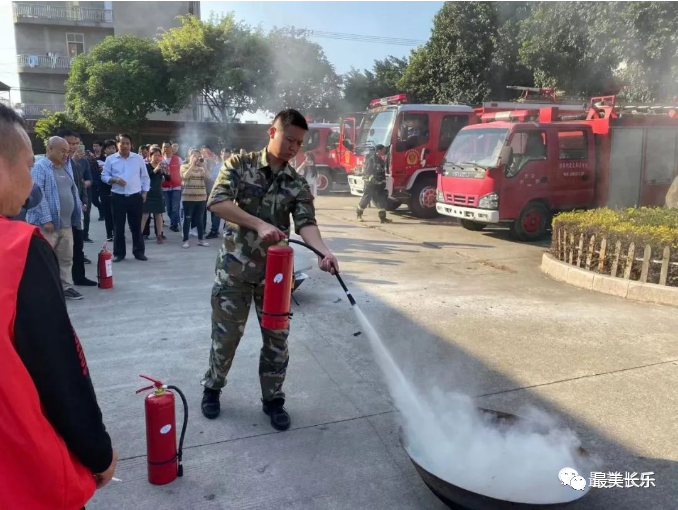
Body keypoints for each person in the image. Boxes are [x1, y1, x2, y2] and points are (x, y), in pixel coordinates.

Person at [0, 104, 117, 509]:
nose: (29, 178)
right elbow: (60, 367)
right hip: (21, 479)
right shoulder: (16, 249)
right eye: (26, 164)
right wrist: (97, 450)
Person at [200, 109, 339, 431]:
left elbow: (307, 223)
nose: (294, 147)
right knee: (226, 338)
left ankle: (273, 399)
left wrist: (323, 252)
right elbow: (217, 202)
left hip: (275, 279)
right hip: (233, 273)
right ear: (271, 132)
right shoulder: (239, 165)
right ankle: (212, 389)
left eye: (299, 143)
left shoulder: (297, 183)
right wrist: (259, 223)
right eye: (289, 139)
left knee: (277, 341)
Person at [27, 136, 85, 300]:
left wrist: (79, 208)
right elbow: (37, 195)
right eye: (62, 151)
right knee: (43, 260)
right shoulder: (40, 168)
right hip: (47, 225)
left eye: (67, 151)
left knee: (65, 258)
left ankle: (65, 287)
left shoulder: (66, 167)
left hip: (65, 224)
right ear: (50, 149)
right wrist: (46, 218)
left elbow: (72, 190)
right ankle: (41, 290)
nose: (66, 154)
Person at [101, 133, 150, 262]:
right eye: (122, 143)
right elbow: (104, 176)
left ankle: (139, 252)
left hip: (135, 197)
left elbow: (144, 177)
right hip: (118, 197)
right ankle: (119, 253)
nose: (125, 146)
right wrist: (114, 179)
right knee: (118, 227)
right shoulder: (111, 159)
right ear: (117, 145)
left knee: (136, 226)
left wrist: (145, 192)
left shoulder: (138, 159)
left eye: (127, 143)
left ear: (131, 145)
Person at [59, 129, 96, 286]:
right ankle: (61, 285)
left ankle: (79, 277)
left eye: (76, 143)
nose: (73, 146)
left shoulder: (73, 164)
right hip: (58, 218)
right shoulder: (48, 165)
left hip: (76, 213)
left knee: (77, 246)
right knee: (61, 253)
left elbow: (81, 185)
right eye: (69, 143)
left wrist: (85, 202)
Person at [180, 149, 210, 249]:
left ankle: (201, 240)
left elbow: (208, 177)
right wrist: (192, 165)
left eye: (198, 156)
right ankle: (185, 240)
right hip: (188, 197)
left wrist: (204, 165)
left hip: (201, 197)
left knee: (200, 220)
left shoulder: (201, 168)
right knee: (187, 219)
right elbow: (185, 176)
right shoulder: (184, 166)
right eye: (194, 156)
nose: (197, 158)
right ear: (189, 157)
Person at [356, 144, 392, 224]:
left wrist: (383, 181)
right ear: (379, 151)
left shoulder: (381, 160)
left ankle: (383, 218)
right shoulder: (371, 160)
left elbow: (382, 173)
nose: (384, 151)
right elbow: (367, 174)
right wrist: (375, 181)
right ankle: (359, 215)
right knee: (365, 200)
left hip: (378, 186)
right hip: (370, 185)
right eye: (383, 150)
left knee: (381, 201)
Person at [141, 146, 166, 244]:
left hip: (158, 193)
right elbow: (148, 176)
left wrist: (165, 172)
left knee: (158, 215)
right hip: (148, 193)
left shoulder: (161, 166)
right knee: (145, 215)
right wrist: (156, 169)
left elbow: (167, 178)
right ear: (150, 156)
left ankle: (159, 235)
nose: (157, 157)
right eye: (155, 155)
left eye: (159, 155)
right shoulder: (146, 166)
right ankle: (139, 235)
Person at [206, 148, 231, 239]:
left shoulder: (233, 167)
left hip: (230, 193)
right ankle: (214, 230)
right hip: (219, 192)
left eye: (227, 156)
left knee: (229, 213)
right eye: (224, 155)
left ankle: (227, 230)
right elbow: (212, 179)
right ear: (221, 155)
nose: (225, 157)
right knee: (216, 212)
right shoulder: (217, 167)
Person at [161, 141, 183, 232]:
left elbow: (182, 172)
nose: (166, 149)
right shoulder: (160, 160)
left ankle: (174, 224)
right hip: (165, 188)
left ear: (171, 148)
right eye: (164, 147)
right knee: (169, 208)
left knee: (175, 207)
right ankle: (174, 221)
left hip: (176, 187)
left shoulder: (178, 159)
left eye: (167, 147)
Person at [98, 139, 117, 242]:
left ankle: (117, 232)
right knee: (108, 213)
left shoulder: (119, 159)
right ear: (104, 150)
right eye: (109, 148)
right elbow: (98, 176)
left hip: (117, 190)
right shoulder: (100, 160)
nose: (112, 150)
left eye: (113, 148)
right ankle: (109, 233)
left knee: (117, 213)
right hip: (105, 190)